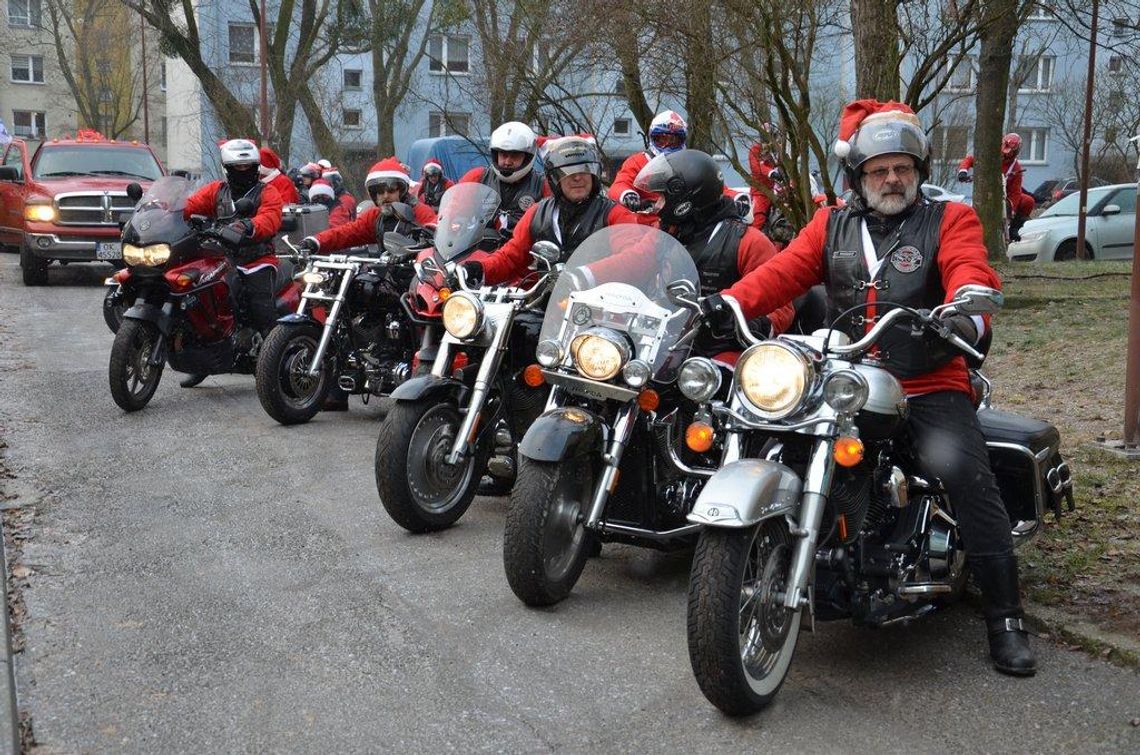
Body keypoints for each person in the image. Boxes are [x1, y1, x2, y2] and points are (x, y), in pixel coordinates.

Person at [706, 99, 1035, 678]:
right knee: (768, 432)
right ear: (858, 176)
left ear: (919, 171)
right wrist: (730, 301)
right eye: (878, 169)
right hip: (844, 375)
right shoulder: (831, 223)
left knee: (966, 474)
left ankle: (1005, 618)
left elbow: (969, 270)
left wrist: (965, 312)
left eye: (902, 167)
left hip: (927, 378)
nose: (891, 178)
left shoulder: (948, 219)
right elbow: (782, 272)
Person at [633, 149, 793, 357]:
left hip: (721, 350)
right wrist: (587, 279)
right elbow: (632, 263)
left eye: (662, 197)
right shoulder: (666, 234)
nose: (657, 205)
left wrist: (743, 326)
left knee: (725, 372)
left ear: (684, 199)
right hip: (667, 342)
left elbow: (782, 308)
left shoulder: (748, 241)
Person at [460, 136, 639, 287]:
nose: (577, 177)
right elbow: (511, 258)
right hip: (547, 303)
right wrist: (479, 270)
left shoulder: (615, 214)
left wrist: (586, 275)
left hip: (598, 307)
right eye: (567, 171)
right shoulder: (538, 213)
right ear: (554, 177)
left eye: (584, 169)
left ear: (595, 174)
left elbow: (634, 258)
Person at [182, 138, 284, 371]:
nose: (243, 171)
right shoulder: (216, 191)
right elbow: (189, 205)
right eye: (237, 167)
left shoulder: (267, 192)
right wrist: (166, 211)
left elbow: (270, 217)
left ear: (256, 167)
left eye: (247, 166)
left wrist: (250, 226)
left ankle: (272, 357)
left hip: (256, 259)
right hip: (221, 256)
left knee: (261, 306)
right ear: (227, 168)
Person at [459, 121, 552, 235]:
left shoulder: (543, 184)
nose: (507, 162)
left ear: (528, 157)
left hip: (523, 250)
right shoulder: (477, 177)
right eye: (503, 155)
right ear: (495, 154)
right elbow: (453, 210)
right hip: (479, 247)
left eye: (515, 156)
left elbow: (551, 223)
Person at [608, 110, 688, 224]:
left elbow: (711, 179)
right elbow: (620, 184)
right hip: (647, 225)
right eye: (662, 139)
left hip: (684, 221)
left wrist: (722, 197)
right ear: (653, 138)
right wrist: (628, 195)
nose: (668, 145)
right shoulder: (638, 161)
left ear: (682, 140)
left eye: (674, 140)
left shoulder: (689, 161)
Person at [957, 133, 1035, 241]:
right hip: (986, 192)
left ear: (1015, 152)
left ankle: (1014, 229)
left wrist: (1012, 210)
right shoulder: (990, 157)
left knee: (1028, 201)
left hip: (1005, 195)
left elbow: (1015, 192)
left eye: (1010, 153)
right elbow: (969, 160)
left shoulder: (1016, 168)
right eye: (1005, 152)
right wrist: (963, 171)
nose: (1006, 156)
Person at [747, 123, 784, 233]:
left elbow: (780, 165)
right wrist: (771, 173)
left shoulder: (775, 150)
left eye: (773, 135)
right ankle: (753, 241)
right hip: (760, 192)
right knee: (759, 218)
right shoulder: (755, 149)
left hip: (774, 191)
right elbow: (757, 167)